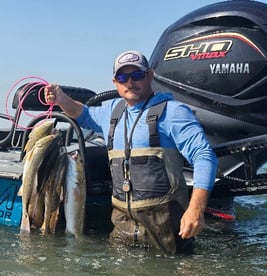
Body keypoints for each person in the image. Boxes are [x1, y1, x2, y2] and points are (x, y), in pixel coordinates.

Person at [45, 50, 218, 254]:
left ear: (150, 76)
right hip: (122, 224)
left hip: (166, 228)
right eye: (122, 77)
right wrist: (61, 99)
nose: (130, 82)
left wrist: (195, 210)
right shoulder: (111, 112)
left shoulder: (173, 112)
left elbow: (204, 156)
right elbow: (83, 115)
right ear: (115, 82)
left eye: (137, 75)